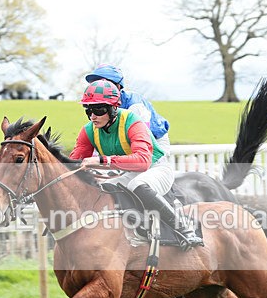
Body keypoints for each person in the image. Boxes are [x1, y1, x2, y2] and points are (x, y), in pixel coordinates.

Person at [69, 79, 202, 249]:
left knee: (137, 184)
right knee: (104, 187)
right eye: (88, 110)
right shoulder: (88, 130)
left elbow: (143, 162)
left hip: (156, 168)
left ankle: (184, 228)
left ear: (113, 108)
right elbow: (73, 163)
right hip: (128, 172)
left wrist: (102, 160)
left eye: (99, 109)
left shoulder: (132, 121)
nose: (93, 116)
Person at [85, 64, 171, 155]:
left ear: (118, 87)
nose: (97, 88)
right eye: (94, 83)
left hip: (155, 140)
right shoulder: (98, 106)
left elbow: (144, 137)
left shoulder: (134, 105)